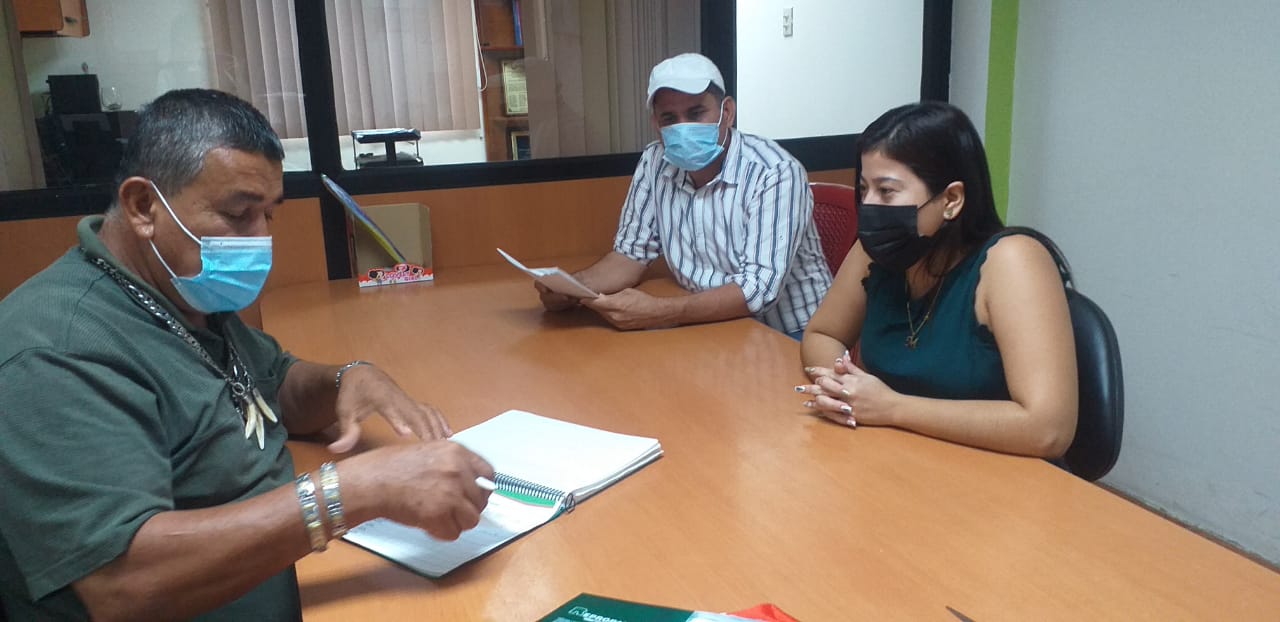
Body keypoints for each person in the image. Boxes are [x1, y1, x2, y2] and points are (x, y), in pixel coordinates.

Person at [0, 89, 495, 620]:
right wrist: (352, 492)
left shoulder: (177, 291)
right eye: (239, 214)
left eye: (268, 216)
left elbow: (270, 384)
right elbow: (122, 583)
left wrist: (347, 379)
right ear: (144, 207)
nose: (259, 239)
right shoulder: (56, 348)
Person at [796, 102, 1078, 458]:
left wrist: (892, 408)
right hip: (904, 456)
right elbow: (822, 334)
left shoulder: (1013, 261)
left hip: (1003, 472)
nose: (869, 206)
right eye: (863, 189)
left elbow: (1048, 429)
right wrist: (844, 387)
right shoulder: (876, 254)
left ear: (951, 199)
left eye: (886, 191)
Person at [537, 53, 832, 338]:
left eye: (695, 113)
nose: (683, 127)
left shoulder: (774, 172)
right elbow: (629, 256)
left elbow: (757, 291)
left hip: (791, 334)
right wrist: (572, 287)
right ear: (656, 124)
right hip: (709, 325)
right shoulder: (655, 161)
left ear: (727, 113)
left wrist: (660, 312)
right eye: (669, 118)